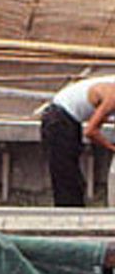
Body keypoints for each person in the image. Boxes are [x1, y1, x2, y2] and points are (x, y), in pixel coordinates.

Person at [41, 76, 115, 207]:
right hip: (59, 120)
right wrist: (111, 147)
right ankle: (68, 218)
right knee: (66, 177)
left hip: (68, 119)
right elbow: (91, 131)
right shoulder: (112, 96)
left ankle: (73, 212)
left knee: (72, 176)